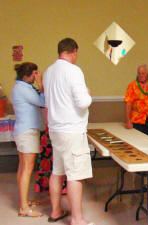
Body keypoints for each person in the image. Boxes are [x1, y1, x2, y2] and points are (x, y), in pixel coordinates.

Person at [43, 38, 93, 225]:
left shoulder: (48, 72)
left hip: (55, 128)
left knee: (57, 171)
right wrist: (88, 94)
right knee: (75, 175)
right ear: (73, 51)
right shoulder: (73, 71)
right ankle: (77, 219)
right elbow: (82, 103)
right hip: (71, 130)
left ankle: (55, 211)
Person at [11, 62, 45, 217]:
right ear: (27, 75)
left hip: (23, 131)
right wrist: (41, 83)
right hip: (27, 132)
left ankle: (23, 202)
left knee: (22, 168)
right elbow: (42, 102)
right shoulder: (23, 88)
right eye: (34, 74)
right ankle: (24, 208)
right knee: (27, 169)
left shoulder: (21, 87)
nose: (36, 76)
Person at [124, 64, 148, 136]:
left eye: (143, 73)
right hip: (137, 121)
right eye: (139, 73)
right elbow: (128, 104)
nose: (140, 75)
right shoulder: (132, 86)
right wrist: (128, 120)